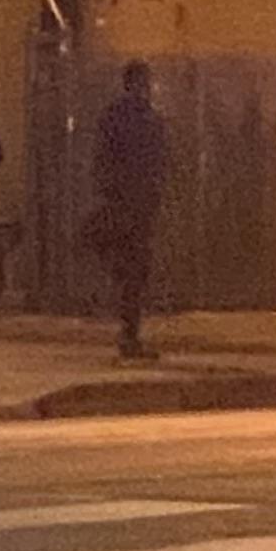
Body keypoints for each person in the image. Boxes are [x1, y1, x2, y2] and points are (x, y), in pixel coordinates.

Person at [91, 61, 170, 363]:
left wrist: (109, 192)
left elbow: (102, 161)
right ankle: (129, 334)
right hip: (137, 206)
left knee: (128, 269)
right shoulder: (148, 120)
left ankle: (128, 332)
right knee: (135, 271)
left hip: (122, 203)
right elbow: (159, 162)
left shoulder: (113, 117)